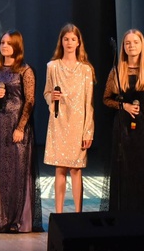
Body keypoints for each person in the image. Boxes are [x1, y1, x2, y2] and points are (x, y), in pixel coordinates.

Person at [101, 28, 144, 233]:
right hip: (123, 130)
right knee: (125, 173)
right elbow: (106, 99)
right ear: (123, 47)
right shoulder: (117, 70)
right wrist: (124, 106)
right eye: (128, 43)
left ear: (142, 45)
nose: (131, 46)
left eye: (135, 42)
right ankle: (124, 221)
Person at [0, 30, 43, 233]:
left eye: (8, 43)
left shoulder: (25, 70)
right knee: (1, 172)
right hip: (0, 126)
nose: (4, 46)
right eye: (2, 42)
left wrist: (20, 127)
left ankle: (19, 220)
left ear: (17, 46)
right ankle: (2, 219)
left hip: (18, 125)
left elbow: (30, 101)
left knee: (19, 171)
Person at [43, 23, 95, 213]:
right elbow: (46, 92)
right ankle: (59, 214)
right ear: (61, 42)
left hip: (78, 124)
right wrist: (52, 97)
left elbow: (89, 103)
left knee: (76, 169)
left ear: (79, 42)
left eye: (73, 39)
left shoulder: (85, 70)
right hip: (59, 121)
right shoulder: (52, 67)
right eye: (66, 39)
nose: (70, 42)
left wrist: (88, 131)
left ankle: (77, 214)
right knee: (60, 169)